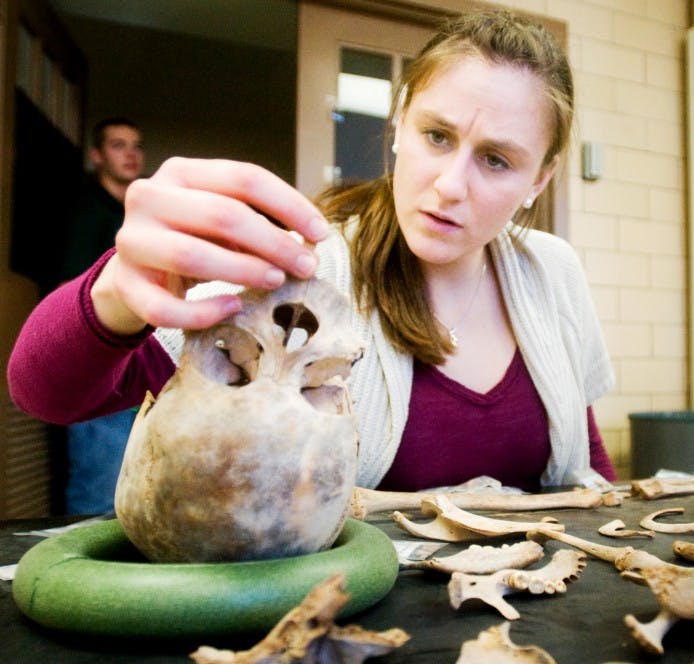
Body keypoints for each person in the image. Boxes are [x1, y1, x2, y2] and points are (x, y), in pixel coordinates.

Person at [7, 9, 615, 493]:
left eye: (497, 159)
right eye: (436, 135)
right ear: (400, 122)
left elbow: (584, 454)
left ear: (540, 178)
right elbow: (45, 394)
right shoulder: (308, 275)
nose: (451, 185)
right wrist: (113, 292)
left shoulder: (552, 272)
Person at [58, 118, 145, 515]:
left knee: (135, 489)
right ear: (96, 156)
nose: (130, 153)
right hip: (98, 364)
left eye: (135, 145)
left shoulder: (139, 216)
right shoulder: (86, 215)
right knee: (100, 492)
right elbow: (73, 294)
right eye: (117, 145)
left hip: (137, 360)